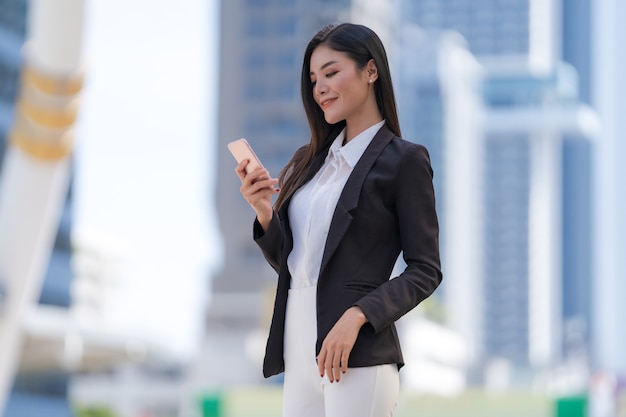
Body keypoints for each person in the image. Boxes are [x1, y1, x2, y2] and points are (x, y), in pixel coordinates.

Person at [235, 23, 442, 417]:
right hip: (298, 349)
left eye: (331, 73)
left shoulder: (405, 160)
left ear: (370, 71)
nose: (319, 88)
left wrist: (359, 315)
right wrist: (264, 210)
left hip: (358, 349)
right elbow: (294, 265)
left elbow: (425, 270)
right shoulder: (308, 163)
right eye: (314, 79)